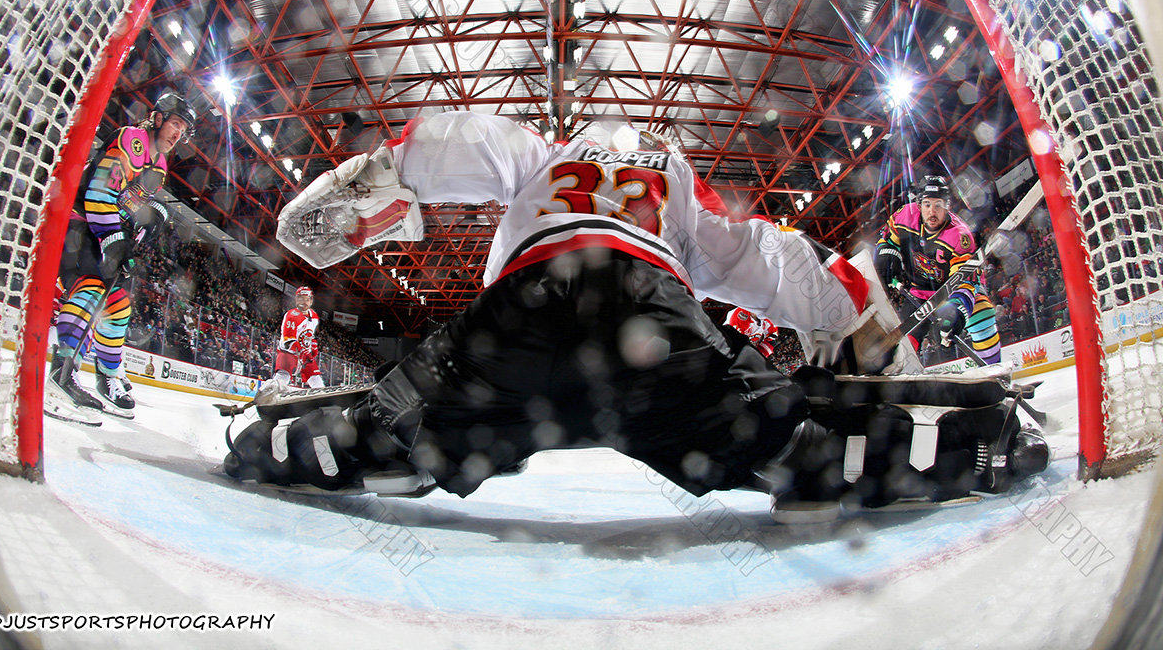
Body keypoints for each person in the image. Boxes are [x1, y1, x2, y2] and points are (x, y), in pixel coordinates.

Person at [234, 108, 965, 518]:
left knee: (407, 434)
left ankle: (313, 445)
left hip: (520, 318)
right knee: (761, 438)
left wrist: (381, 175)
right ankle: (877, 450)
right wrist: (848, 308)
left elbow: (466, 142)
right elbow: (753, 257)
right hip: (647, 324)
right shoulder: (671, 176)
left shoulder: (538, 156)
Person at [49, 92, 197, 416]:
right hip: (75, 222)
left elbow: (130, 206)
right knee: (92, 288)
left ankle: (107, 376)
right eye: (175, 124)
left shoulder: (159, 166)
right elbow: (99, 192)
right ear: (158, 119)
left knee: (118, 307)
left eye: (183, 130)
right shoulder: (132, 140)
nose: (177, 134)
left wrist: (148, 220)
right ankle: (60, 374)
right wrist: (114, 241)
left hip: (98, 231)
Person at [874, 174, 1003, 366]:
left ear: (947, 206)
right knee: (903, 338)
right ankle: (904, 378)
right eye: (927, 204)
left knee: (983, 314)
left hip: (951, 291)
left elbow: (965, 280)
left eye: (938, 205)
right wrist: (887, 251)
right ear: (919, 205)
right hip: (918, 292)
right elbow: (887, 237)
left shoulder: (959, 235)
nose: (932, 212)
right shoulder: (905, 215)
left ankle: (994, 371)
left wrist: (957, 309)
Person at [258, 285, 324, 396]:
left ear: (311, 301)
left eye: (307, 299)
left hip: (304, 353)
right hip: (288, 353)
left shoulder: (314, 316)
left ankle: (323, 397)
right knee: (283, 376)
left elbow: (309, 334)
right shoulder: (292, 316)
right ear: (296, 300)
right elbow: (288, 340)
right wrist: (301, 351)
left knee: (314, 375)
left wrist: (313, 343)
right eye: (301, 298)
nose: (304, 301)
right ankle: (268, 396)